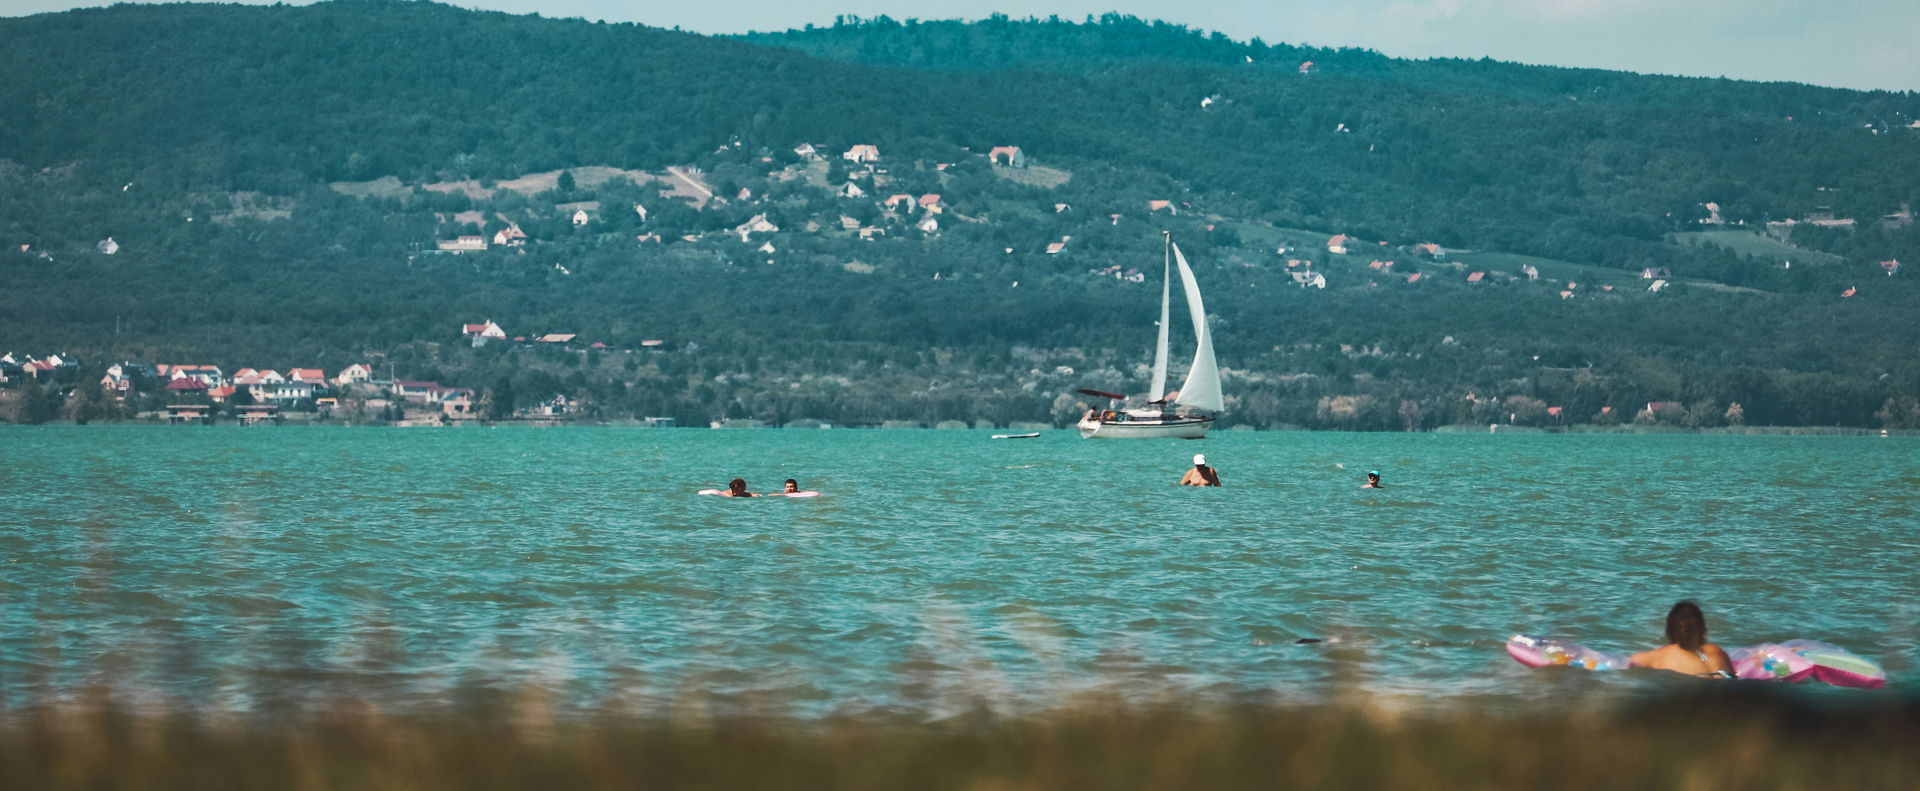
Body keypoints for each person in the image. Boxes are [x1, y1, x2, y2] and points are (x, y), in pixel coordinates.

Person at [1629, 600, 1736, 678]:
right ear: (1703, 629)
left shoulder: (1661, 656)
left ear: (1669, 630)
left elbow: (1634, 661)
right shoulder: (1719, 652)